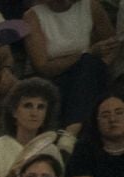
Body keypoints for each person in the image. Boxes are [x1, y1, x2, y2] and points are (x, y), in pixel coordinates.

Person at [22, 0, 117, 142]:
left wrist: (102, 64)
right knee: (87, 63)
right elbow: (43, 67)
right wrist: (87, 53)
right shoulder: (32, 16)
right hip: (56, 78)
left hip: (90, 72)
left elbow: (112, 43)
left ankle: (71, 131)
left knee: (89, 67)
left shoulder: (91, 6)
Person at [0, 79, 68, 177]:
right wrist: (12, 176)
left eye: (41, 107)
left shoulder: (52, 151)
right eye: (28, 106)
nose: (34, 113)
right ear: (14, 111)